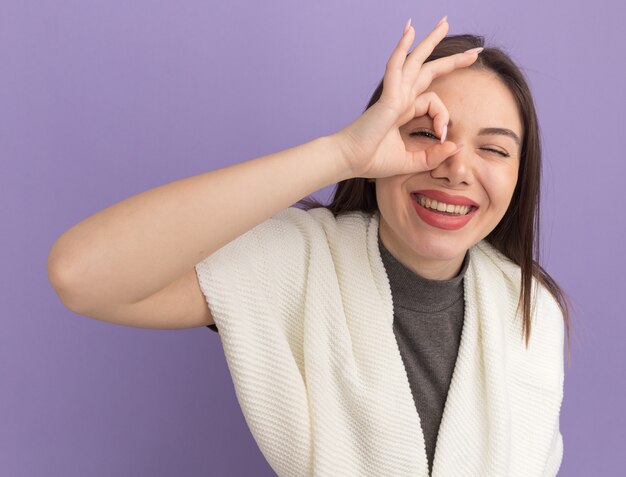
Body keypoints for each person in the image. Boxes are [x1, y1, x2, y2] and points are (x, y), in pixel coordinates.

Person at [47, 15, 570, 477]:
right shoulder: (296, 265)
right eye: (427, 133)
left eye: (494, 149)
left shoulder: (531, 313)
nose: (456, 167)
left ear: (520, 176)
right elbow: (80, 274)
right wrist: (342, 153)